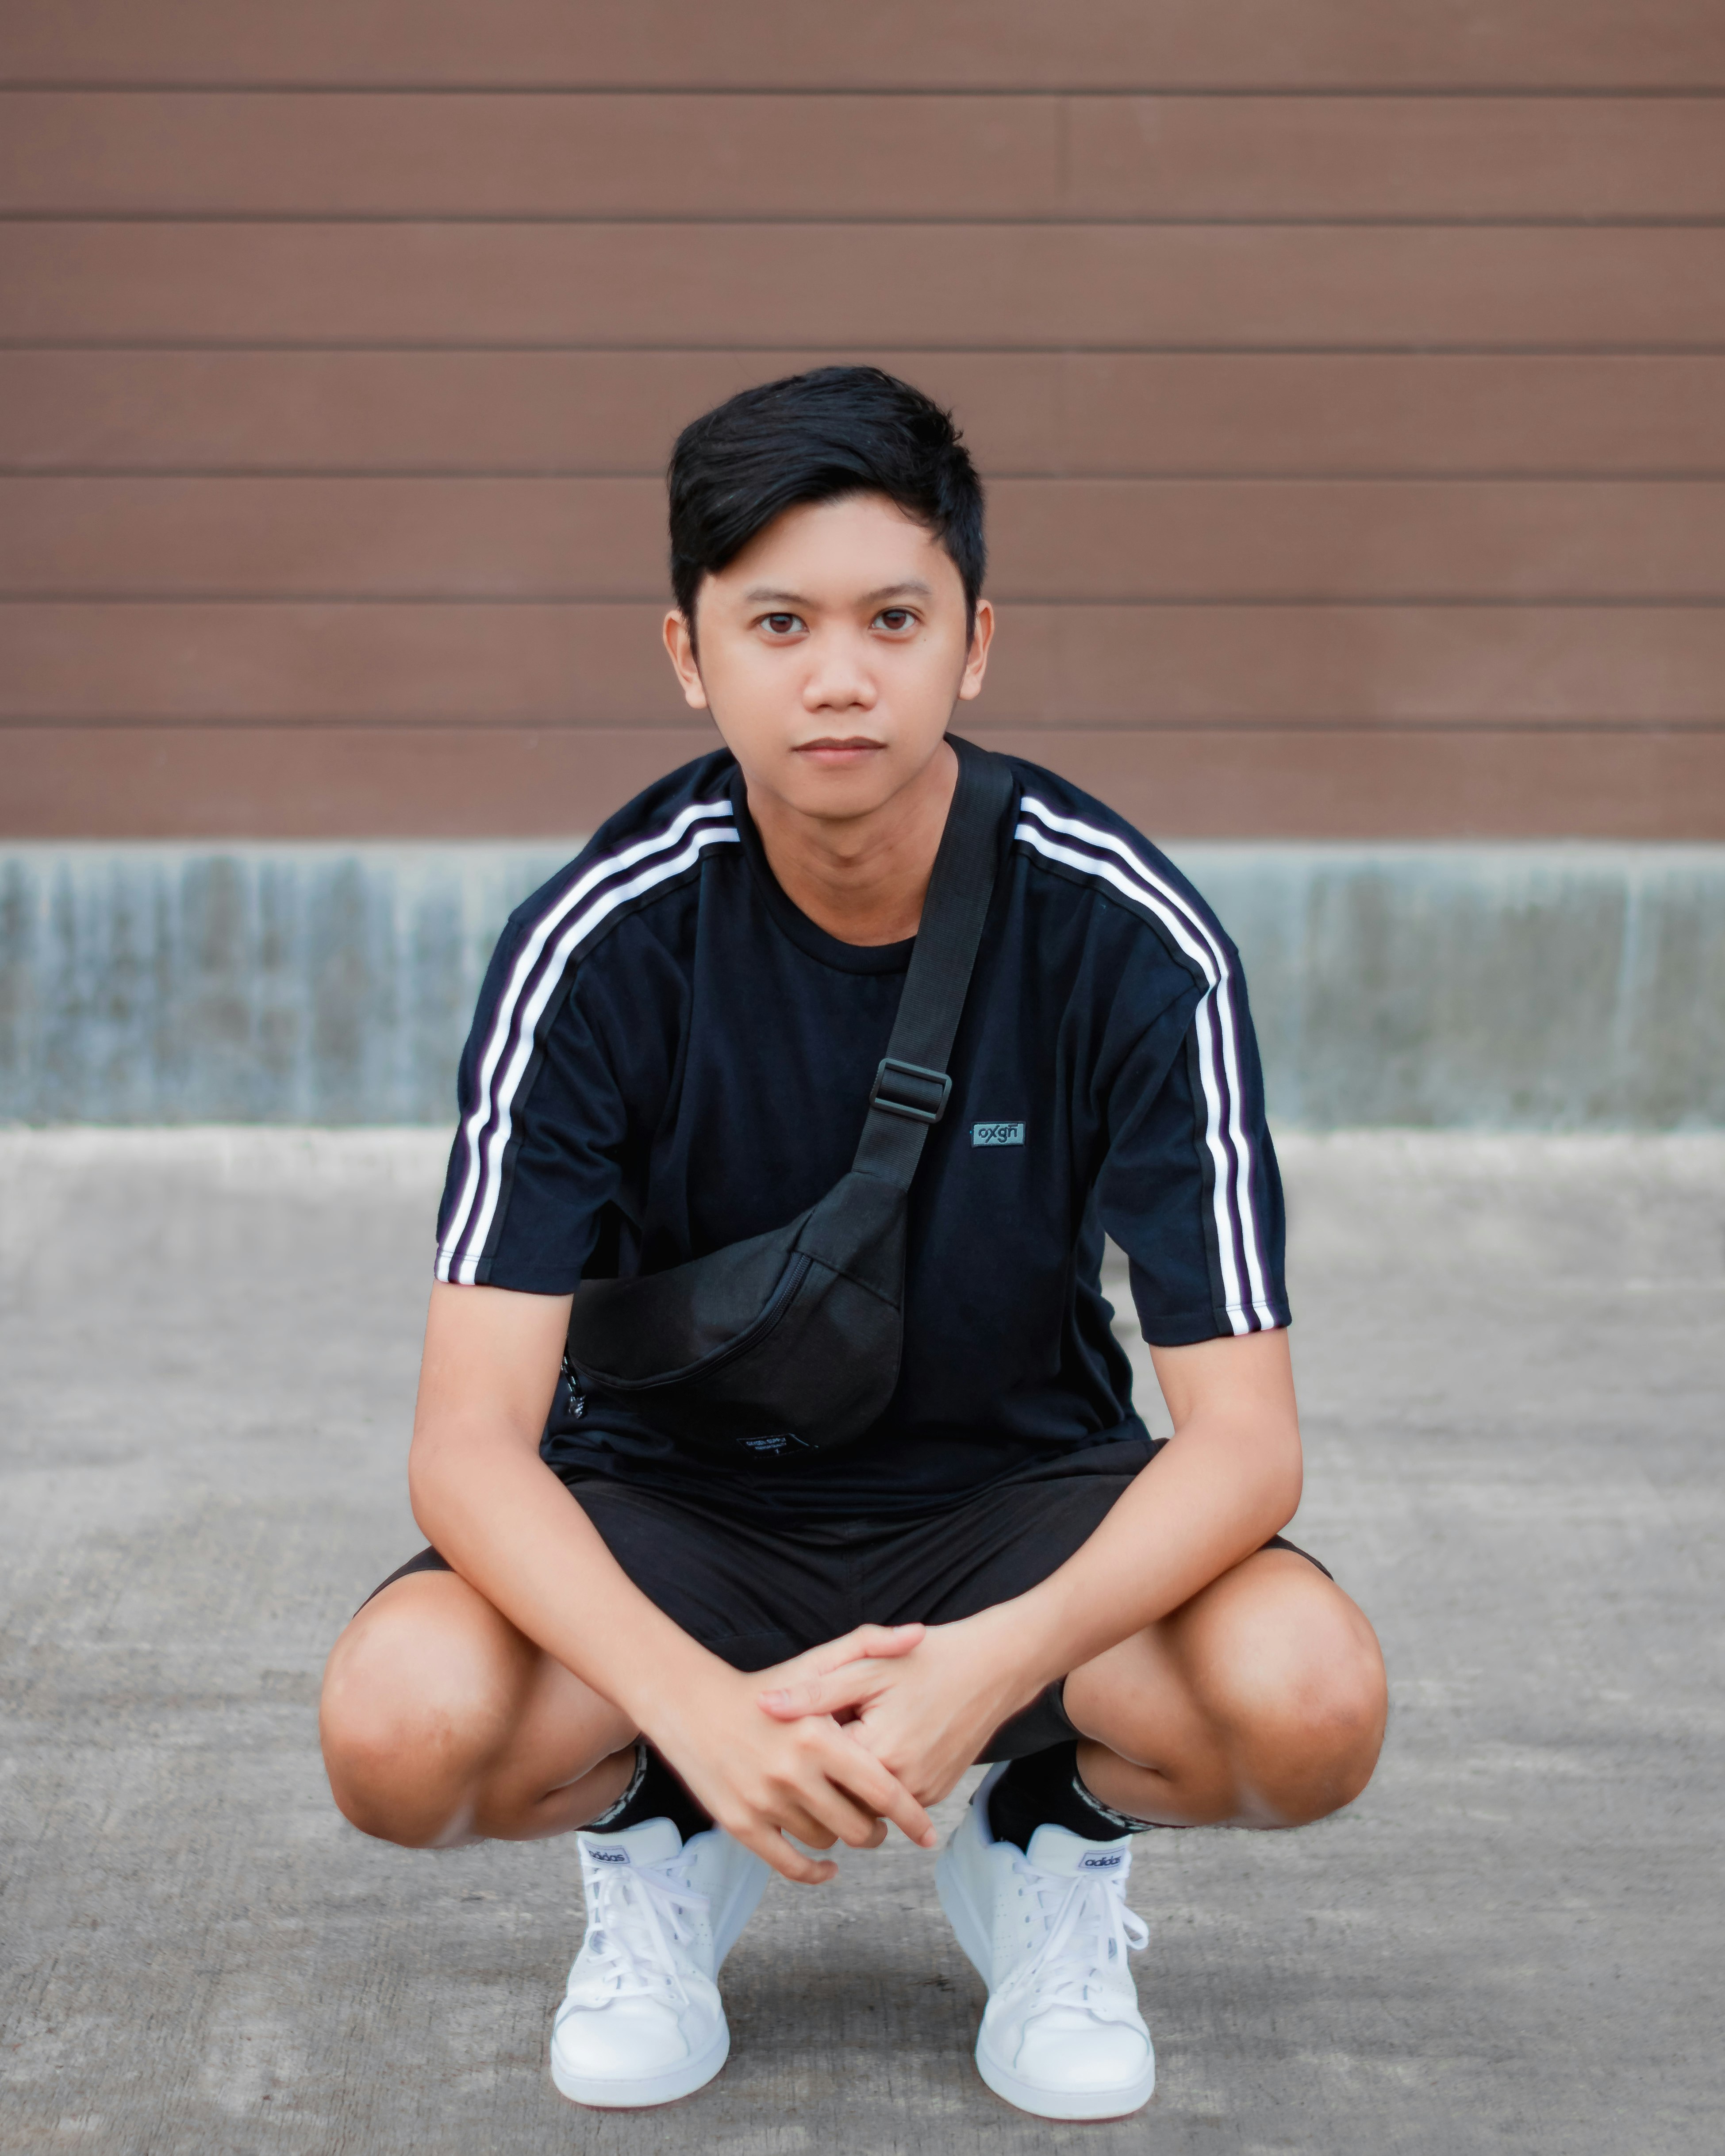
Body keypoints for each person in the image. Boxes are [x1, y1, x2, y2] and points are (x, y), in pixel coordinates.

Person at [318, 366, 1387, 2122]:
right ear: (688, 651)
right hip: (677, 1517)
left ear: (976, 642)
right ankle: (671, 1815)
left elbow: (1248, 1441)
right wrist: (695, 1704)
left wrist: (999, 1662)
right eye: (779, 622)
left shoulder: (1126, 934)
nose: (838, 674)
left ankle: (1045, 1834)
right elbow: (468, 1440)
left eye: (896, 617)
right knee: (398, 1728)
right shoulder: (595, 942)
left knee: (1307, 1698)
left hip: (1016, 1501)